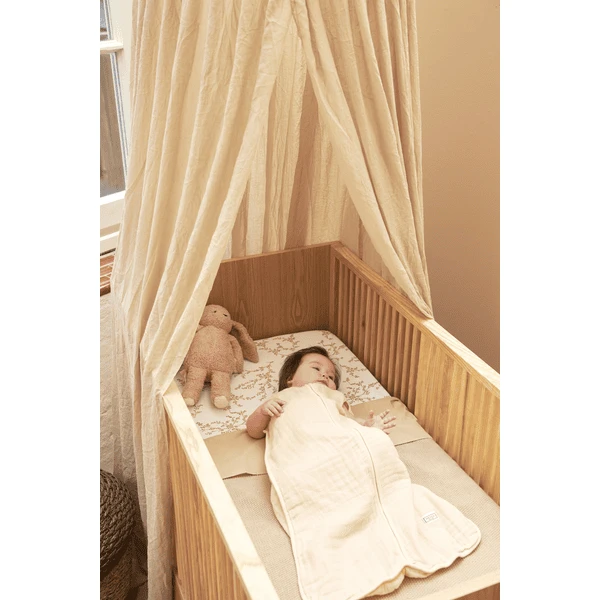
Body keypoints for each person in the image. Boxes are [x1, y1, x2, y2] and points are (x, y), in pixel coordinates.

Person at [246, 346, 397, 439]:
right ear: (290, 378)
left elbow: (349, 422)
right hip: (300, 443)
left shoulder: (336, 398)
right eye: (316, 368)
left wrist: (367, 426)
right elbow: (253, 431)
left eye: (331, 377)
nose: (324, 375)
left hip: (338, 441)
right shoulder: (282, 398)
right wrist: (262, 412)